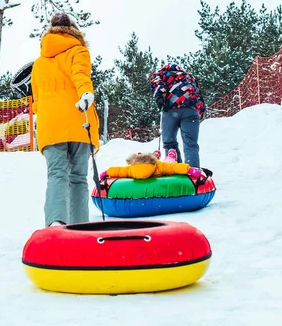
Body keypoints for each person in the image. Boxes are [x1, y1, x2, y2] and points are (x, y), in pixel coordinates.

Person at [31, 12, 100, 227]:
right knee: (78, 178)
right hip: (77, 119)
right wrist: (86, 94)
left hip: (50, 126)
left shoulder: (39, 63)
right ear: (73, 28)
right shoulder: (78, 50)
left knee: (56, 175)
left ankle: (56, 224)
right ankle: (80, 228)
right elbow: (81, 75)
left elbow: (36, 100)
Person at [149, 63, 206, 168]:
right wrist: (200, 113)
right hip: (191, 111)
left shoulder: (161, 74)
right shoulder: (189, 77)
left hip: (171, 110)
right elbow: (199, 97)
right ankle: (193, 174)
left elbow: (157, 85)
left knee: (169, 143)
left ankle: (175, 170)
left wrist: (159, 97)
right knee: (191, 144)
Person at [100, 151, 201, 181]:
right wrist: (189, 169)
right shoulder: (157, 166)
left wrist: (106, 173)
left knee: (169, 165)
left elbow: (118, 170)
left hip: (143, 163)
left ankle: (154, 154)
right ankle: (170, 156)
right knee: (170, 163)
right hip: (159, 167)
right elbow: (174, 168)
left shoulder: (132, 169)